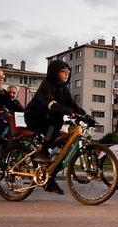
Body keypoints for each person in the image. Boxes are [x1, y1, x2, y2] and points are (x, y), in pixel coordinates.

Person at [25, 60, 87, 194]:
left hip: (51, 120)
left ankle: (50, 179)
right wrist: (66, 110)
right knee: (55, 119)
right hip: (35, 118)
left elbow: (73, 105)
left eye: (68, 73)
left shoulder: (64, 89)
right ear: (54, 72)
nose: (66, 75)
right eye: (63, 72)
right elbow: (50, 103)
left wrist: (86, 116)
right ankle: (42, 152)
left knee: (65, 149)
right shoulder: (46, 85)